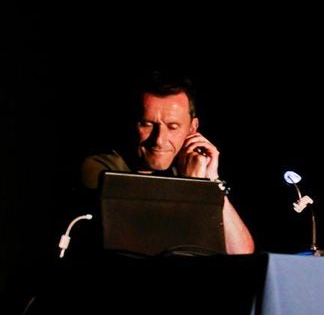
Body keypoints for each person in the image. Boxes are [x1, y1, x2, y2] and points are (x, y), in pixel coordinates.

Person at [81, 74, 255, 254]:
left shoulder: (187, 167)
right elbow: (150, 244)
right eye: (147, 124)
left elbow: (240, 252)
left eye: (172, 127)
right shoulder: (102, 168)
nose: (159, 140)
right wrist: (191, 188)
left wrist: (211, 182)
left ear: (192, 129)